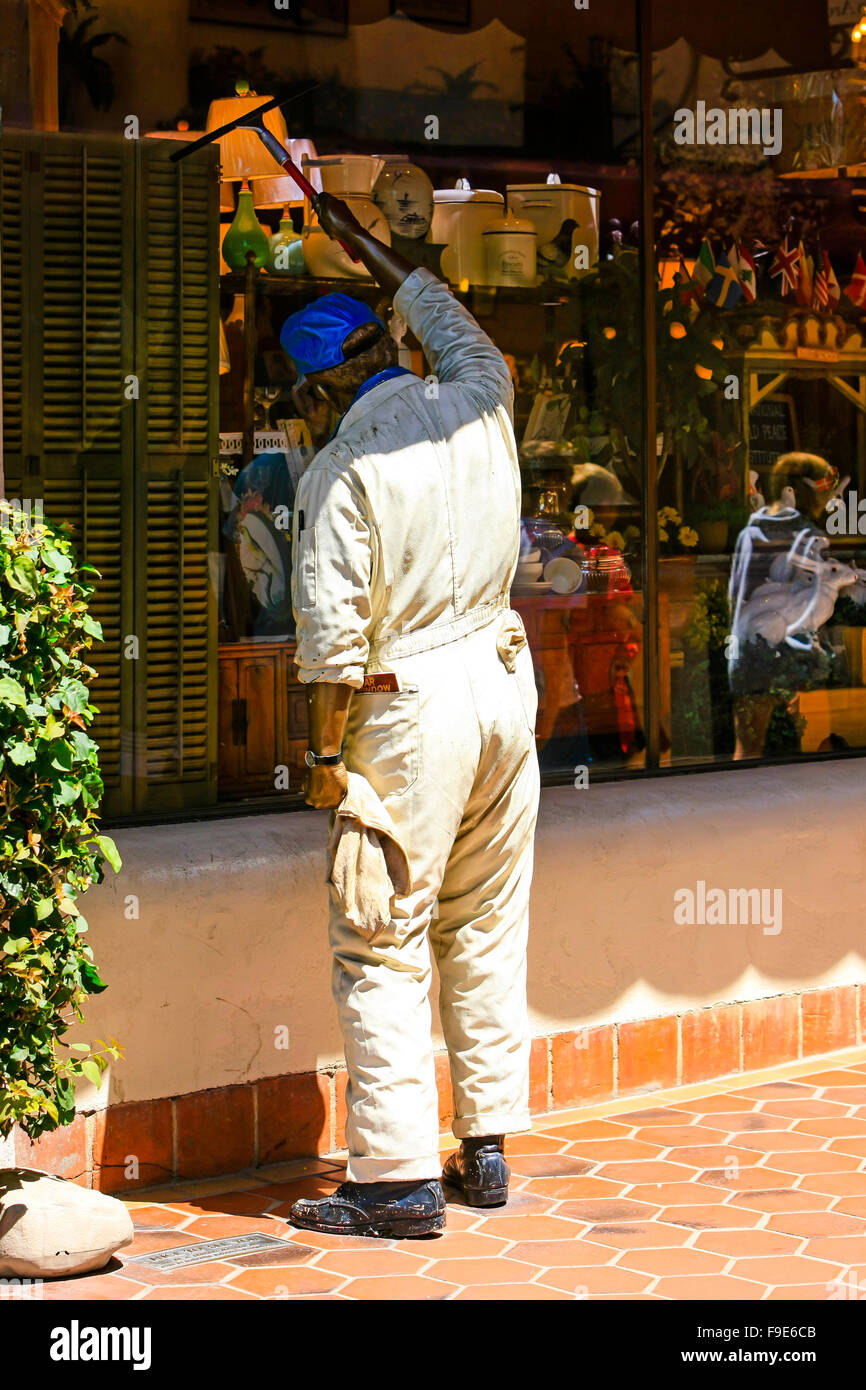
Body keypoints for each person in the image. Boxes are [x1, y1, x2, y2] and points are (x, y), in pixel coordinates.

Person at [282, 192, 541, 1239]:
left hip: (404, 710)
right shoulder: (481, 395)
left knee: (379, 932)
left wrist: (317, 758)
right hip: (501, 682)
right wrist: (374, 253)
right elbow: (458, 329)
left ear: (316, 385)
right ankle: (485, 1148)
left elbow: (333, 649)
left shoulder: (342, 468)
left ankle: (392, 1181)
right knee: (482, 919)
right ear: (385, 340)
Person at [728, 451, 851, 759]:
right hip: (765, 629)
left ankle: (775, 741)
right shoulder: (781, 541)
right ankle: (763, 748)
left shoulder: (803, 536)